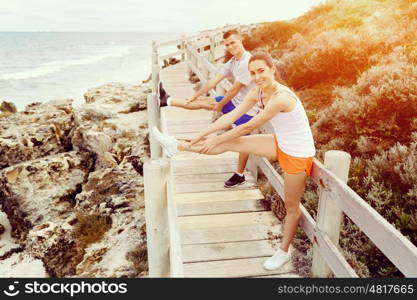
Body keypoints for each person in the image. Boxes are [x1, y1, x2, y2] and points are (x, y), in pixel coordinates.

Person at [152, 51, 316, 271]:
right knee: (232, 143)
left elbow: (247, 127)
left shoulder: (281, 98)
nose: (257, 77)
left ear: (272, 69)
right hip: (280, 142)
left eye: (261, 71)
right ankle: (176, 146)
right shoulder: (258, 91)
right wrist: (203, 135)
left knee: (291, 206)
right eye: (253, 73)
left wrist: (216, 139)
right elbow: (230, 117)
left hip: (298, 153)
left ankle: (283, 252)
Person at [158, 29, 259, 188]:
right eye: (227, 45)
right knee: (205, 101)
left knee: (240, 142)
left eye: (233, 42)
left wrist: (220, 105)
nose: (230, 46)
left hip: (248, 110)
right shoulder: (233, 61)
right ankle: (167, 100)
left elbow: (234, 90)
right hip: (236, 103)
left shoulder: (247, 62)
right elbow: (213, 81)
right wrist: (195, 95)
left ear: (241, 40)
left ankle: (239, 174)